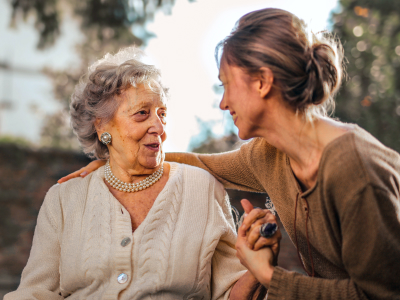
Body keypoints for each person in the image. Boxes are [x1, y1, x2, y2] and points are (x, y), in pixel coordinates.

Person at [60, 8, 400, 300]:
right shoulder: (269, 154)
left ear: (262, 82)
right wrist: (116, 157)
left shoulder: (354, 170)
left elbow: (382, 294)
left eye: (225, 84)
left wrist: (269, 277)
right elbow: (202, 163)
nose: (223, 103)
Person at [4, 47, 272, 300]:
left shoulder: (203, 189)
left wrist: (256, 266)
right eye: (142, 113)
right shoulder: (63, 199)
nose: (158, 127)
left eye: (162, 114)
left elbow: (230, 294)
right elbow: (34, 293)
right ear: (102, 127)